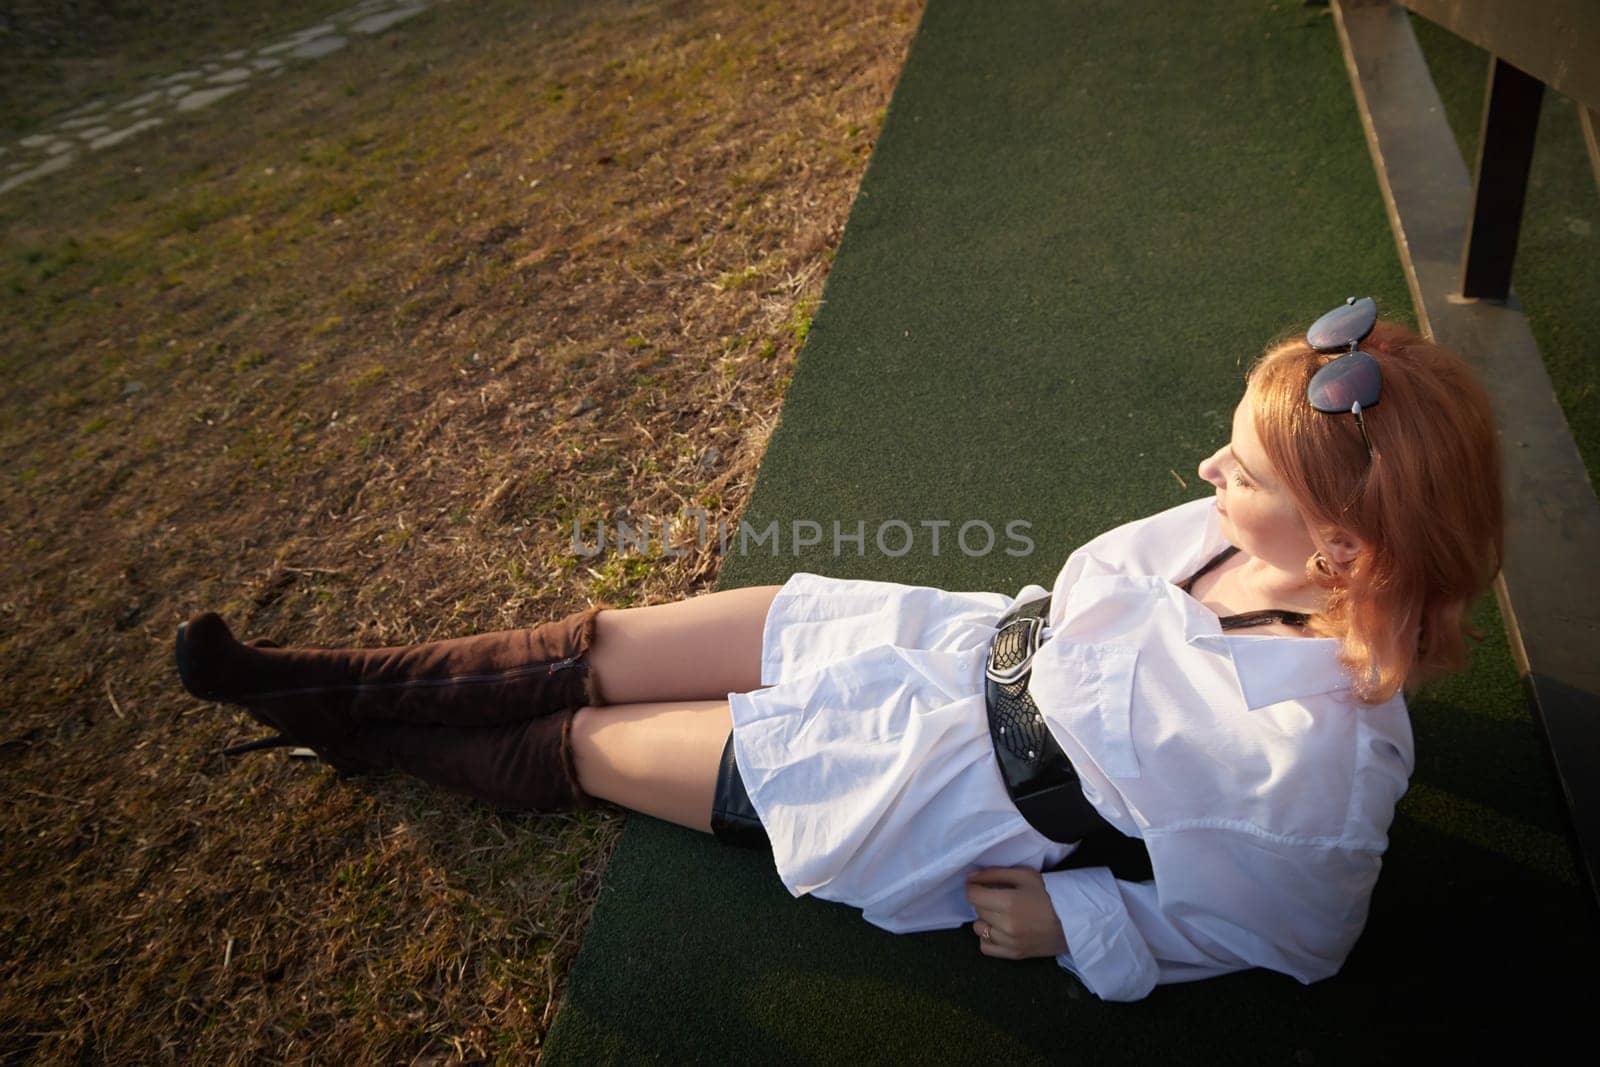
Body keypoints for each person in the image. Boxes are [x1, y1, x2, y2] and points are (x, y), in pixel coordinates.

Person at [173, 299, 1505, 1002]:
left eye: (1247, 469)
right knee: (605, 644)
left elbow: (1304, 939)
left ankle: (338, 724)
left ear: (1340, 558)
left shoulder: (1320, 761)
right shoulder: (1255, 540)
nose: (1211, 466)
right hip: (942, 641)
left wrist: (1092, 921)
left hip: (929, 787)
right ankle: (311, 676)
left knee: (583, 741)